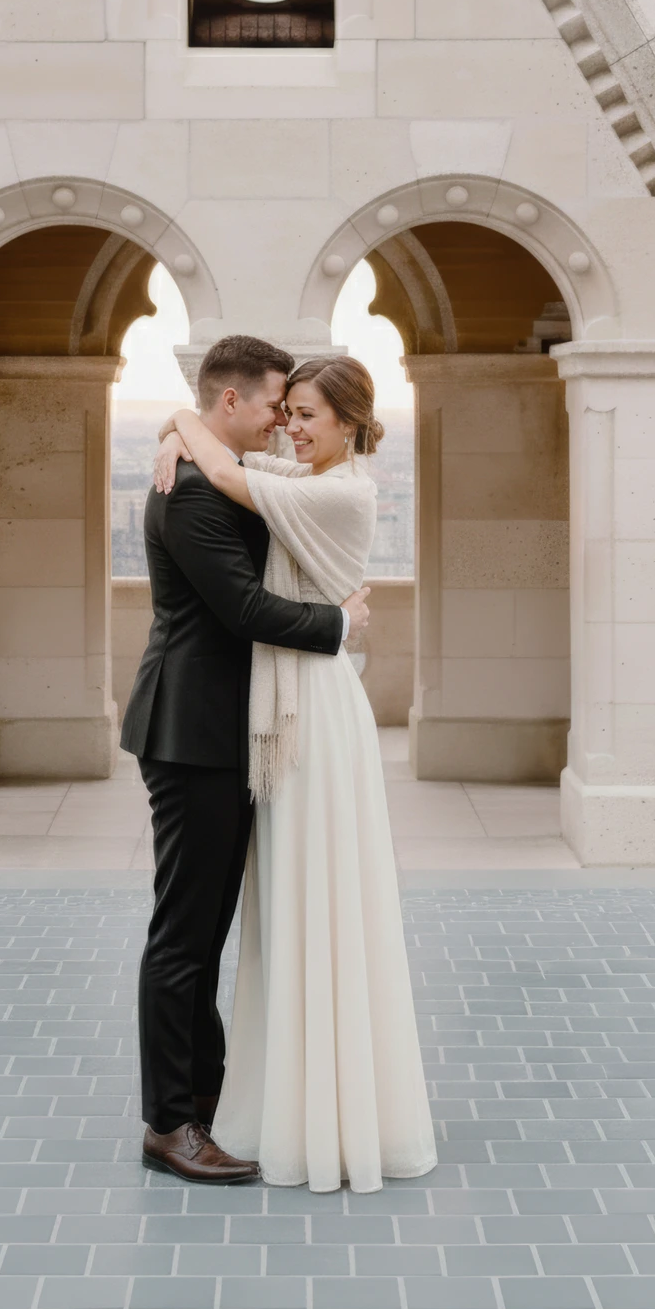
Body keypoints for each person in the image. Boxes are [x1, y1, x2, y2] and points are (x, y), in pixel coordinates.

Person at [154, 355, 437, 1194]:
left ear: (348, 422)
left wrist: (183, 433)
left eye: (308, 413)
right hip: (284, 712)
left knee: (319, 904)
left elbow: (226, 473)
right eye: (289, 411)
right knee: (284, 909)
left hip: (313, 714)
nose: (293, 427)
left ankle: (320, 1109)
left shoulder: (338, 490)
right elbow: (224, 456)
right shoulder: (298, 471)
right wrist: (175, 427)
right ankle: (281, 1097)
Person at [120, 335, 372, 1184]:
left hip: (224, 735)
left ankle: (205, 1103)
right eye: (273, 405)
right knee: (185, 936)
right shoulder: (190, 489)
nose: (281, 421)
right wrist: (338, 625)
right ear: (231, 404)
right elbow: (238, 608)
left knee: (207, 930)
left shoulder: (208, 465)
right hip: (193, 736)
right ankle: (168, 1124)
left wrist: (177, 425)